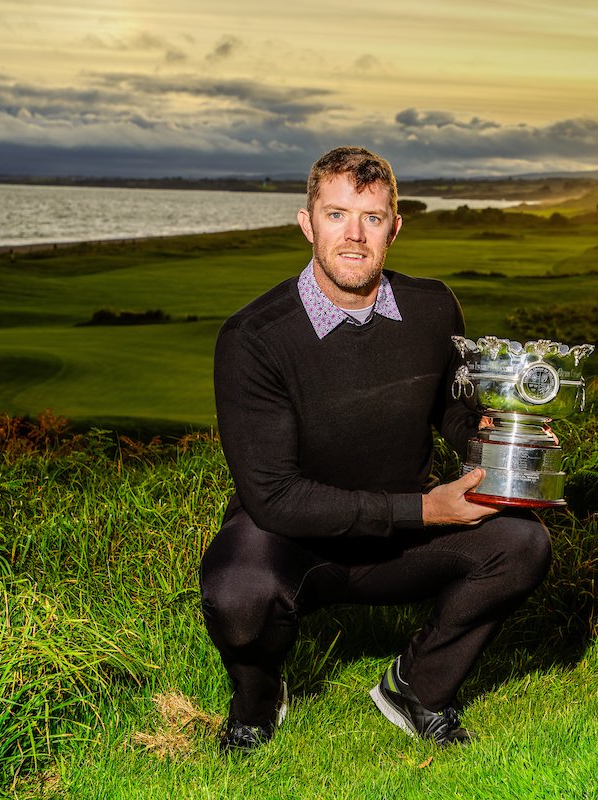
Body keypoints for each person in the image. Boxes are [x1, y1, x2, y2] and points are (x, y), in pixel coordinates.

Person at [200, 146, 552, 753]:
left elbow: (450, 406)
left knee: (523, 545)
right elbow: (275, 497)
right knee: (237, 593)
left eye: (371, 216)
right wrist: (429, 510)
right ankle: (257, 702)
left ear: (395, 226)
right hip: (293, 544)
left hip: (404, 538)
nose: (354, 235)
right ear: (307, 222)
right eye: (337, 215)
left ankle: (418, 688)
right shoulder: (252, 338)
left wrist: (499, 448)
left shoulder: (433, 307)